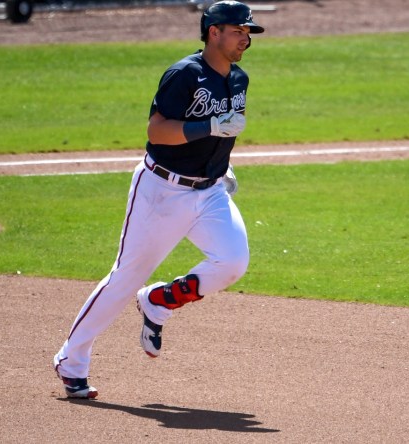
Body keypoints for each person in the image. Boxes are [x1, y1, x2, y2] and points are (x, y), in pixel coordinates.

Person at [53, 0, 264, 399]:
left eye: (248, 32)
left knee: (233, 261)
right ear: (213, 31)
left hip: (210, 191)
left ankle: (158, 300)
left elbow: (222, 137)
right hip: (161, 191)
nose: (245, 39)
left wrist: (222, 164)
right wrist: (211, 126)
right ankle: (71, 360)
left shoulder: (239, 79)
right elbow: (157, 132)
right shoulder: (184, 74)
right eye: (238, 30)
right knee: (124, 277)